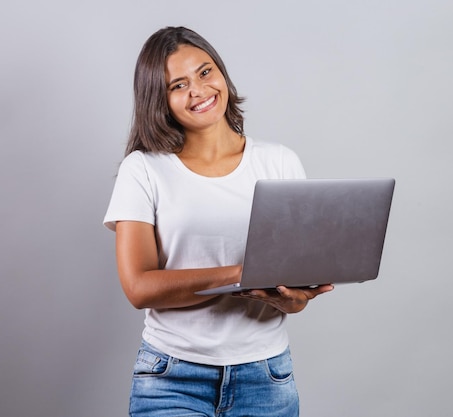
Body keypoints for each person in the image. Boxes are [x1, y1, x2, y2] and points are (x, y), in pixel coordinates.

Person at [103, 26, 333, 417]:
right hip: (172, 379)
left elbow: (293, 293)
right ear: (159, 100)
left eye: (205, 72)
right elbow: (139, 286)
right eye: (178, 85)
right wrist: (241, 275)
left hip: (266, 378)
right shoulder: (142, 170)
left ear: (222, 73)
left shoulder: (279, 162)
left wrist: (293, 299)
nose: (198, 91)